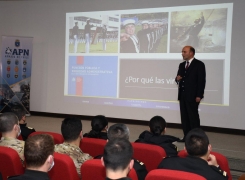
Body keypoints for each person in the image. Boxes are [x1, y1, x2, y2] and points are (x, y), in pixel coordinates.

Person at [158, 128, 228, 180]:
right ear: (209, 147)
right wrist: (217, 167)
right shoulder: (216, 176)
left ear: (185, 149)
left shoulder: (166, 164)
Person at [175, 46, 206, 142]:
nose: (182, 53)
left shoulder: (199, 64)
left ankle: (196, 137)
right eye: (182, 52)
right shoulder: (181, 65)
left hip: (193, 96)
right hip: (183, 95)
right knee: (184, 117)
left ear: (191, 53)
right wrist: (177, 79)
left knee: (193, 117)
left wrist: (199, 95)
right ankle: (186, 136)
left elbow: (201, 81)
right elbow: (178, 78)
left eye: (184, 52)